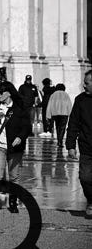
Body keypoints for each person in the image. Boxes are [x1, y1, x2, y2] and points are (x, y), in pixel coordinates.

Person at [0, 81, 32, 216]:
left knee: (14, 177)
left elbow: (27, 127)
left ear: (8, 93)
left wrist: (20, 137)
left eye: (0, 92)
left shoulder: (19, 108)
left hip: (14, 148)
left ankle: (13, 202)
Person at [66, 70, 92, 219]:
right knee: (85, 177)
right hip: (87, 147)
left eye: (86, 83)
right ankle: (91, 200)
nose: (83, 85)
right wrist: (70, 146)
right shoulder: (80, 100)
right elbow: (73, 124)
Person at [45, 83, 72, 148]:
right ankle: (60, 140)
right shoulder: (66, 95)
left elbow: (49, 105)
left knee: (57, 127)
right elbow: (69, 105)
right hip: (64, 113)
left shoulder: (53, 95)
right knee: (62, 127)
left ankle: (59, 140)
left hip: (55, 113)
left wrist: (48, 115)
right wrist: (71, 114)